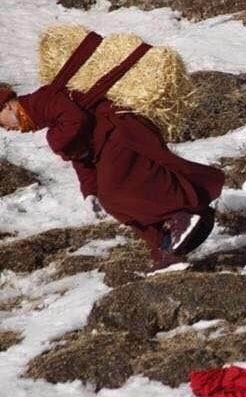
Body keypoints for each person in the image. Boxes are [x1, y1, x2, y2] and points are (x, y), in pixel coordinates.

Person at [0, 57, 223, 270]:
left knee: (115, 196)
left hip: (118, 133)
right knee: (113, 202)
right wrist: (90, 191)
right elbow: (81, 156)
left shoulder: (42, 100)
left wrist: (56, 141)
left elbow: (76, 119)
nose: (7, 129)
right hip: (107, 143)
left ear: (7, 106)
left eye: (1, 123)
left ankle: (180, 217)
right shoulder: (43, 115)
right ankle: (165, 249)